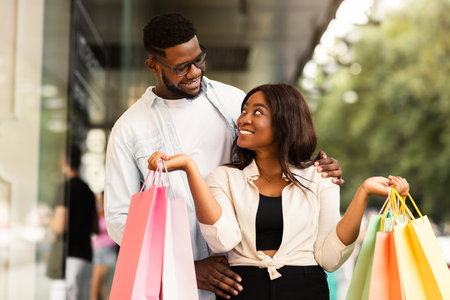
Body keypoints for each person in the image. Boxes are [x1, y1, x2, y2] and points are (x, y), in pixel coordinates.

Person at [104, 13, 343, 299]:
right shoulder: (129, 128)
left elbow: (275, 154)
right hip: (177, 285)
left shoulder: (233, 102)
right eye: (181, 68)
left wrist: (315, 167)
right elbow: (120, 219)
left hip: (245, 279)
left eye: (199, 59)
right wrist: (186, 268)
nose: (194, 72)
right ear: (153, 66)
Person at [147, 83, 410, 299]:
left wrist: (363, 193)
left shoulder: (319, 176)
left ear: (285, 122)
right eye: (244, 110)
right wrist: (189, 168)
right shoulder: (225, 177)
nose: (243, 119)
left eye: (257, 112)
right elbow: (222, 240)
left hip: (306, 289)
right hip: (243, 290)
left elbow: (329, 257)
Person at [47, 144, 99, 300]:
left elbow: (60, 225)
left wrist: (47, 220)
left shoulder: (64, 188)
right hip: (85, 257)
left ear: (62, 161)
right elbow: (95, 227)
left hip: (67, 259)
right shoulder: (88, 191)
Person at [91, 192, 118, 300]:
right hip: (97, 251)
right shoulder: (96, 215)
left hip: (109, 250)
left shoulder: (111, 214)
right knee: (95, 285)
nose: (100, 203)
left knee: (106, 286)